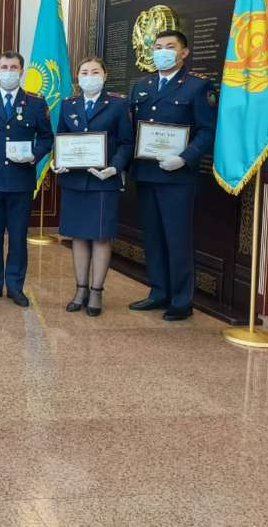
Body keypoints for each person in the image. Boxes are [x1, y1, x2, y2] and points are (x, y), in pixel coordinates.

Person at [128, 29, 216, 321]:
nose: (162, 51)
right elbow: (131, 130)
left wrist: (184, 158)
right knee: (152, 237)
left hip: (177, 178)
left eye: (169, 46)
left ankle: (181, 300)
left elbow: (207, 130)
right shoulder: (141, 85)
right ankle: (158, 292)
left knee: (177, 239)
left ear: (184, 52)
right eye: (158, 47)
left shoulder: (197, 86)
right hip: (146, 174)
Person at [0, 50, 53, 308]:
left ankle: (15, 285)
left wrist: (34, 155)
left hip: (20, 181)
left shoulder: (35, 103)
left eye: (14, 68)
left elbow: (46, 137)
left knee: (17, 237)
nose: (9, 72)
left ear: (21, 71)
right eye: (4, 67)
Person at [52, 57, 133, 317]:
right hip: (74, 181)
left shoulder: (118, 104)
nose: (89, 76)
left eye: (95, 71)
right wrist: (57, 160)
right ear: (78, 77)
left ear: (105, 75)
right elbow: (61, 138)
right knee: (78, 236)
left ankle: (97, 291)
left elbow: (126, 142)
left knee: (100, 236)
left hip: (103, 181)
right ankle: (80, 289)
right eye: (84, 72)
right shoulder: (68, 104)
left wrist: (115, 167)